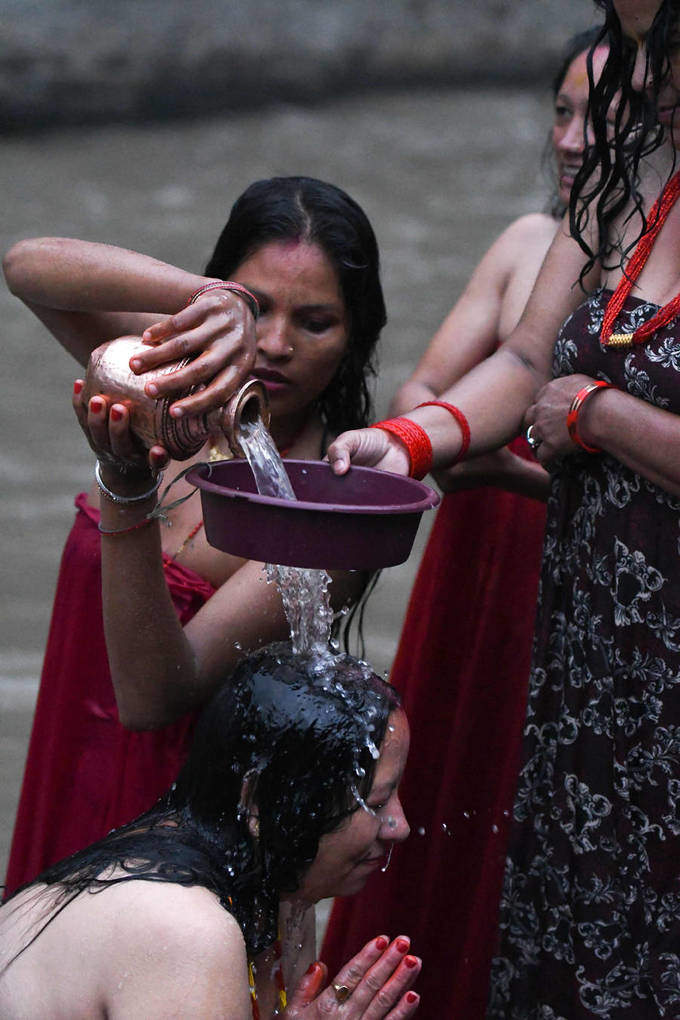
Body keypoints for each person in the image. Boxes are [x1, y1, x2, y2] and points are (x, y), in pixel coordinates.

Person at [328, 1, 680, 1013]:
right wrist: (402, 444)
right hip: (591, 663)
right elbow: (524, 358)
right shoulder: (624, 197)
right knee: (573, 931)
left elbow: (569, 399)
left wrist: (602, 418)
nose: (651, 75)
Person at [2, 176, 386, 896]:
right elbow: (28, 267)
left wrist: (128, 488)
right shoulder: (169, 389)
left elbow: (153, 695)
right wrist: (205, 300)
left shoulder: (329, 510)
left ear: (354, 337)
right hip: (68, 761)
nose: (272, 344)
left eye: (314, 322)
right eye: (256, 307)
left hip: (186, 839)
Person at [0, 643, 421, 1018]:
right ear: (262, 801)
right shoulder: (185, 930)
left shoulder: (281, 891)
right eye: (377, 802)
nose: (400, 828)